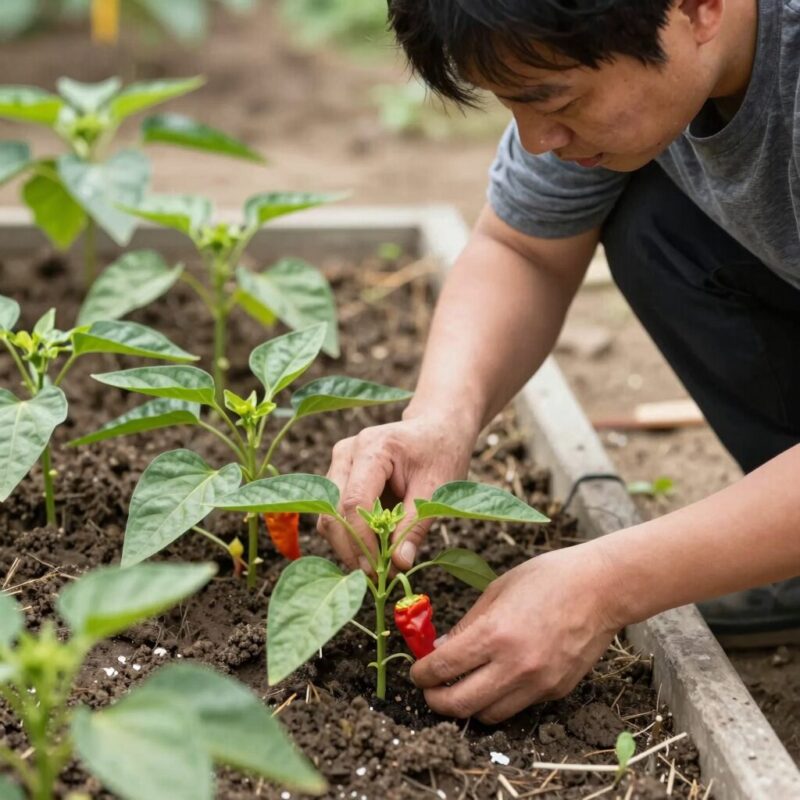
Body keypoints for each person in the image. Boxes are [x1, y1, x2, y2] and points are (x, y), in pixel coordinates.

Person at [317, 0, 800, 724]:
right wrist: (440, 419)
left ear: (700, 9)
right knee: (649, 219)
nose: (537, 140)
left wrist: (608, 583)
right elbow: (523, 250)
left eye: (557, 99)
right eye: (514, 104)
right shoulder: (634, 64)